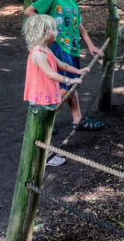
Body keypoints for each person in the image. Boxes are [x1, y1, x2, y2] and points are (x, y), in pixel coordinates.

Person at [24, 0, 105, 132]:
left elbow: (79, 26)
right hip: (60, 48)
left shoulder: (73, 3)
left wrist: (91, 45)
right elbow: (29, 11)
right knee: (65, 87)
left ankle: (77, 119)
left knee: (71, 86)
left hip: (73, 48)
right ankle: (42, 119)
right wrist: (46, 29)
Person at [22, 14, 88, 166]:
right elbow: (50, 73)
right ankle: (42, 158)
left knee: (47, 127)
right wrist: (69, 80)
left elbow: (61, 65)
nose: (57, 32)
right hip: (40, 97)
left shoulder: (46, 49)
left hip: (48, 94)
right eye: (54, 30)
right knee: (42, 129)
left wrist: (78, 71)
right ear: (44, 33)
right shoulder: (38, 53)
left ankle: (45, 153)